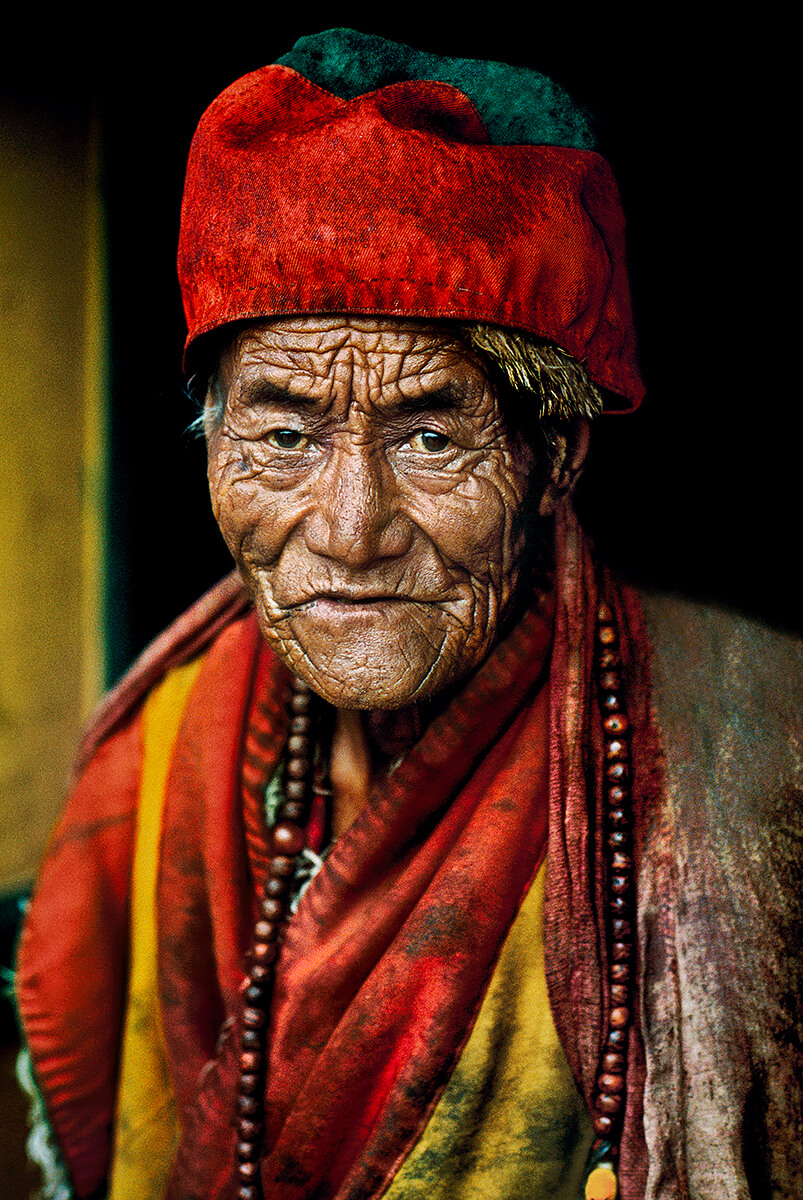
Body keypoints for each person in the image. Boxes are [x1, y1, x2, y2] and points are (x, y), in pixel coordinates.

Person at [15, 28, 802, 1200]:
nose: (348, 529)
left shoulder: (761, 751)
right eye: (282, 434)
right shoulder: (163, 750)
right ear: (211, 449)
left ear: (553, 460)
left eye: (431, 436)